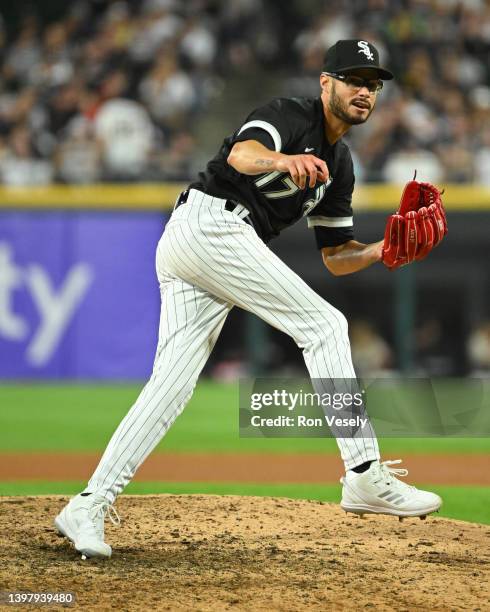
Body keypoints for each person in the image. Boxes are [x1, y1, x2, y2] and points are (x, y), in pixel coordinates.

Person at [54, 40, 442, 559]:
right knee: (324, 326)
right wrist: (283, 159)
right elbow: (242, 153)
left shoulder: (341, 164)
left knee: (169, 388)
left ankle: (87, 504)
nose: (364, 91)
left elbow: (335, 255)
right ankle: (365, 473)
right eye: (353, 79)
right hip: (210, 225)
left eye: (372, 84)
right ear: (326, 83)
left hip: (206, 244)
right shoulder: (289, 115)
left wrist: (379, 251)